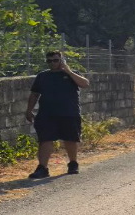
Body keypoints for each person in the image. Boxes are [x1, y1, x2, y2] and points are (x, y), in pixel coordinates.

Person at [25, 50, 91, 179]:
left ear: (61, 60)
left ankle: (73, 163)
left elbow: (85, 84)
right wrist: (29, 110)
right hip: (46, 113)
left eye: (55, 60)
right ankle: (42, 168)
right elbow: (34, 94)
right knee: (45, 140)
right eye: (49, 61)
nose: (52, 63)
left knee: (70, 139)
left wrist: (69, 72)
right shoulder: (43, 76)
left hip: (69, 112)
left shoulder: (72, 74)